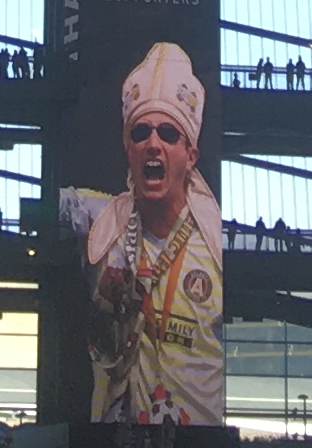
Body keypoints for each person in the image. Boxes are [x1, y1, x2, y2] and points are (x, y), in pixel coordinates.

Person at [66, 42, 224, 428]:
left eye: (168, 133)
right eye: (141, 132)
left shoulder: (216, 240)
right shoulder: (104, 227)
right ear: (128, 149)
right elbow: (55, 205)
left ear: (190, 155)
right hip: (116, 444)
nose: (153, 144)